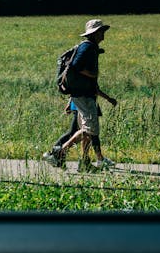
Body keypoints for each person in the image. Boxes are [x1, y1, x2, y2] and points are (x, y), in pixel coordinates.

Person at [42, 19, 118, 171]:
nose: (103, 34)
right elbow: (76, 66)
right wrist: (92, 73)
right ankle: (59, 152)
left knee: (86, 130)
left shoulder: (90, 47)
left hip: (84, 95)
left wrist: (106, 97)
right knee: (89, 130)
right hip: (83, 96)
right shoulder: (88, 47)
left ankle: (84, 163)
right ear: (95, 33)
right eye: (101, 31)